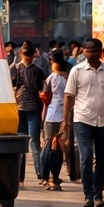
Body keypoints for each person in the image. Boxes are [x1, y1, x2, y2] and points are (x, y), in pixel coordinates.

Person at [64, 38, 104, 207]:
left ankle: (98, 194)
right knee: (86, 157)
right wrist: (65, 121)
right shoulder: (76, 71)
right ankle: (88, 194)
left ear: (101, 52)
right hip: (82, 120)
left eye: (95, 51)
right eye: (88, 51)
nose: (91, 54)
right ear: (83, 52)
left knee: (101, 159)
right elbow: (69, 96)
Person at [10, 42, 48, 185]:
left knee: (34, 142)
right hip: (20, 108)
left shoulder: (37, 70)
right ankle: (21, 176)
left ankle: (40, 173)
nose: (28, 57)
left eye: (29, 54)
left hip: (33, 108)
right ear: (21, 54)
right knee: (23, 143)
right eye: (26, 54)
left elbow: (43, 89)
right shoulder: (15, 68)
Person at [40, 56, 69, 190]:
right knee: (58, 149)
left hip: (51, 115)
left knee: (49, 146)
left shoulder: (51, 78)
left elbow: (45, 99)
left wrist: (42, 119)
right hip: (64, 116)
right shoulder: (68, 78)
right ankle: (55, 178)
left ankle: (46, 176)